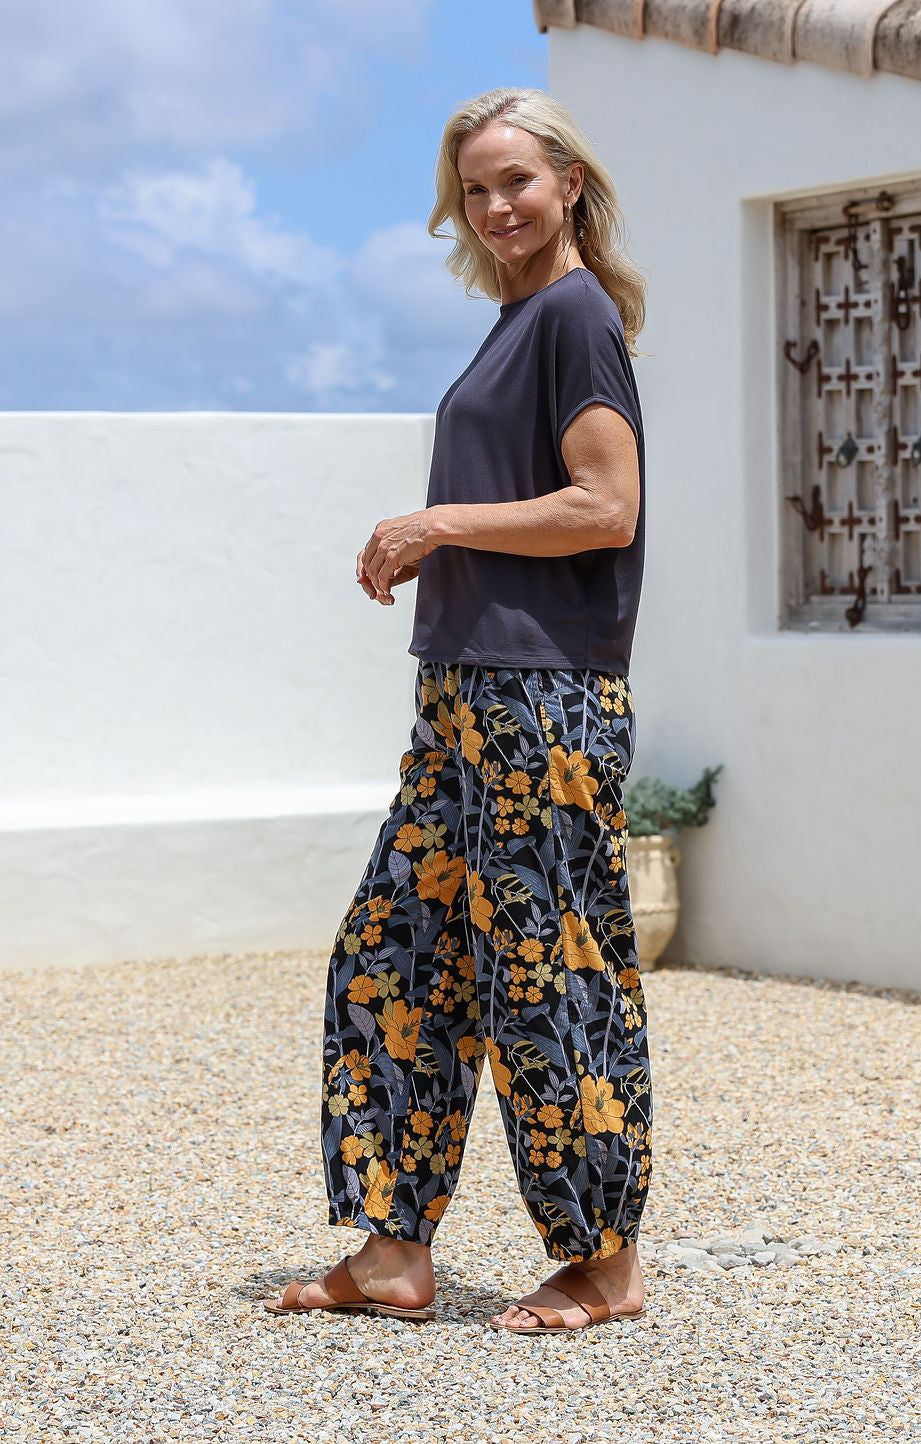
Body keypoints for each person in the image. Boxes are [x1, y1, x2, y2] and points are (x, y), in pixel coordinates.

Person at [264, 86, 653, 1334]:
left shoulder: (576, 315)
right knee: (396, 959)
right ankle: (392, 1252)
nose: (493, 208)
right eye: (474, 191)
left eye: (515, 184)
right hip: (464, 694)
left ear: (569, 186)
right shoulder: (517, 320)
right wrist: (445, 555)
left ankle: (603, 1262)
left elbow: (606, 507)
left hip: (542, 698)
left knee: (550, 970)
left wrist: (439, 522)